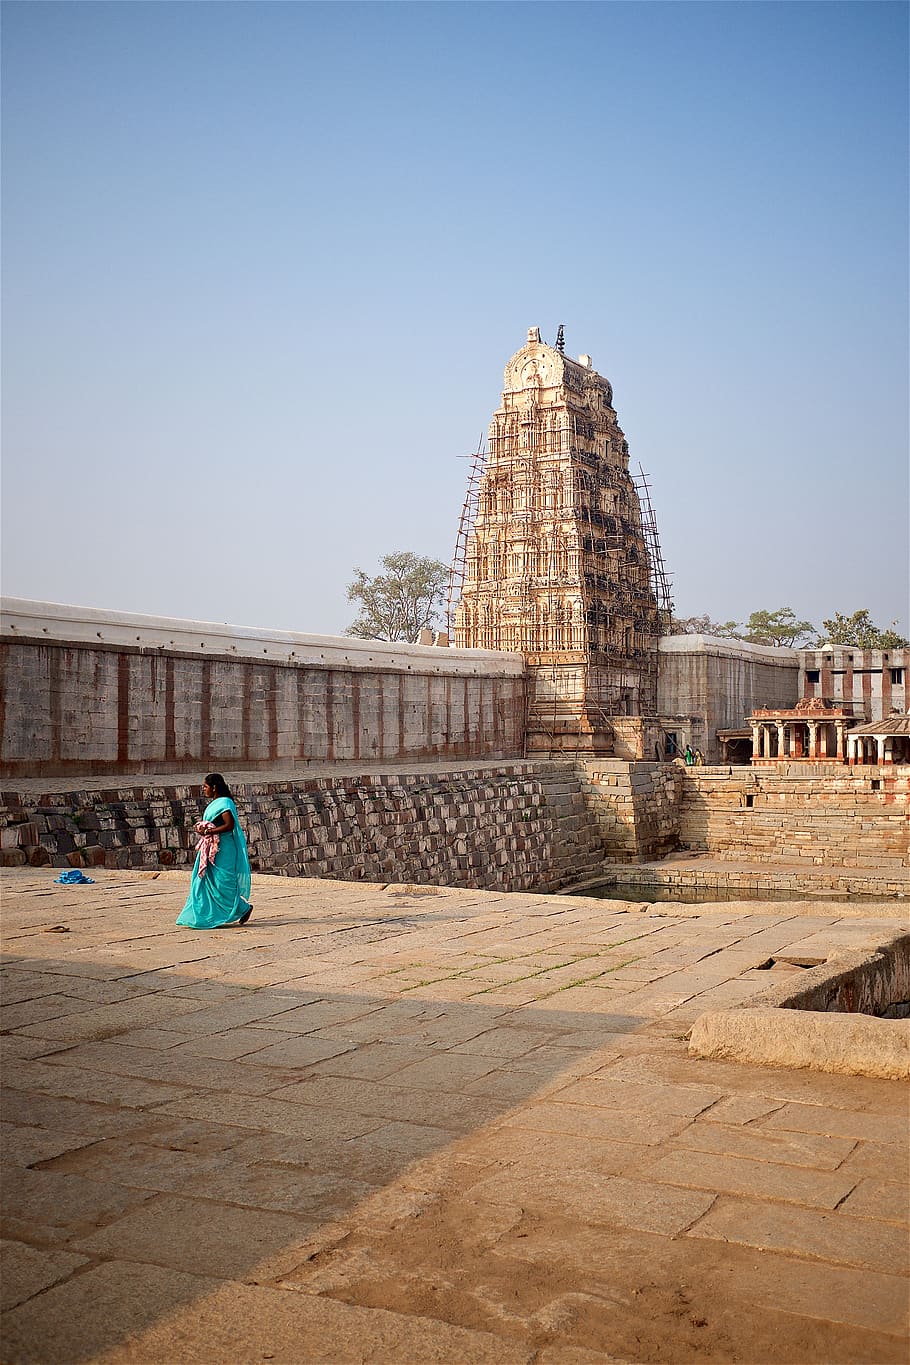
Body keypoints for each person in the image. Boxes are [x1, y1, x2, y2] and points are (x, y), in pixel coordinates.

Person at [176, 774, 252, 929]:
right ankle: (201, 916)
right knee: (204, 881)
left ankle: (242, 908)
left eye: (205, 786)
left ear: (214, 787)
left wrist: (210, 832)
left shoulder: (224, 803)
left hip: (223, 848)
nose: (204, 789)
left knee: (223, 882)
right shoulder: (215, 803)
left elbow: (229, 825)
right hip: (210, 846)